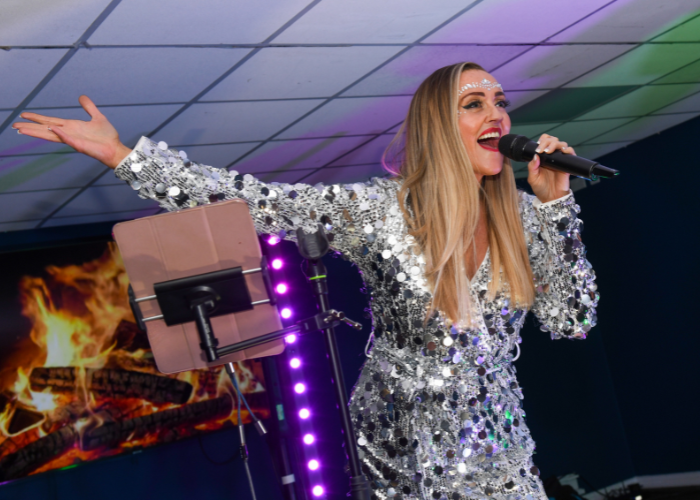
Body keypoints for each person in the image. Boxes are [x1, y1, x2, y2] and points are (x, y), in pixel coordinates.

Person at [13, 62, 598, 500]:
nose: (498, 114)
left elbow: (573, 321)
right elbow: (252, 202)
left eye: (501, 102)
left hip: (498, 438)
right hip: (404, 435)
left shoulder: (526, 217)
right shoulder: (380, 211)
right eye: (475, 103)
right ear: (440, 127)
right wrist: (122, 155)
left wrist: (557, 209)